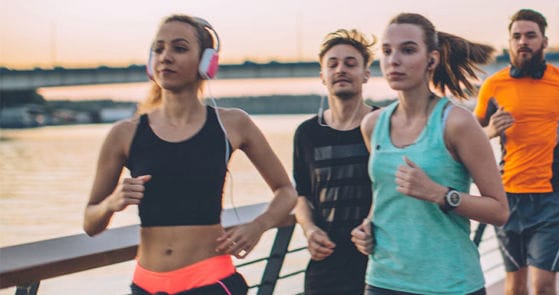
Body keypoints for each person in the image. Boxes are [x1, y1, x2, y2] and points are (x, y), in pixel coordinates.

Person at [82, 14, 297, 295]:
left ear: (207, 62)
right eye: (158, 49)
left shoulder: (232, 124)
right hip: (145, 287)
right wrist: (112, 203)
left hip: (210, 283)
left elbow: (286, 191)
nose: (165, 57)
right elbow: (90, 223)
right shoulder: (124, 134)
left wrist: (258, 226)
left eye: (179, 48)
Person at [350, 12, 509, 295]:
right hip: (383, 280)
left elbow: (499, 210)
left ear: (431, 59)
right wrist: (367, 226)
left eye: (407, 50)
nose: (393, 60)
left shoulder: (457, 123)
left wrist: (438, 193)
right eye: (386, 51)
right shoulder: (372, 125)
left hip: (449, 283)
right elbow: (384, 195)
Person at [473, 9, 559, 295]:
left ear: (544, 41)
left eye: (530, 35)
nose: (523, 42)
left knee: (543, 286)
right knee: (514, 287)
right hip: (507, 198)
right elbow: (469, 136)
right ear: (509, 42)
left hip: (551, 198)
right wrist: (490, 132)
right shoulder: (493, 86)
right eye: (516, 36)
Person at [292, 28, 377, 295]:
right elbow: (301, 194)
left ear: (365, 74)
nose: (341, 69)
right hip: (326, 264)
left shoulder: (383, 124)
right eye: (333, 64)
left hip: (379, 262)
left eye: (351, 64)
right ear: (322, 76)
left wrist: (374, 222)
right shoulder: (307, 133)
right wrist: (309, 230)